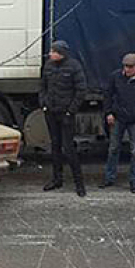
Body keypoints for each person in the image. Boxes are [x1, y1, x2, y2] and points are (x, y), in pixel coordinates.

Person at [100, 53, 135, 193]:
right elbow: (108, 95)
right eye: (125, 66)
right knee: (113, 148)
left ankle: (134, 181)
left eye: (130, 67)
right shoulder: (115, 76)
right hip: (118, 117)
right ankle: (109, 178)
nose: (127, 70)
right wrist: (109, 112)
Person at [41, 40, 87, 196]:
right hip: (51, 112)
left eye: (53, 51)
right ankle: (57, 179)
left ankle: (79, 184)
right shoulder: (48, 66)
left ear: (61, 53)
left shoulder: (74, 66)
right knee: (55, 146)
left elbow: (81, 91)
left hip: (66, 113)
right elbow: (43, 86)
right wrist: (44, 104)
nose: (50, 53)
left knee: (69, 149)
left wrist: (70, 111)